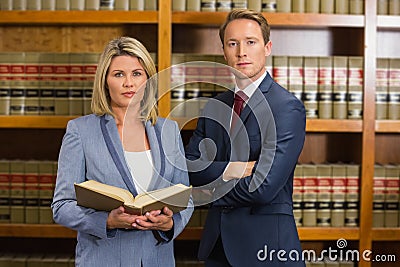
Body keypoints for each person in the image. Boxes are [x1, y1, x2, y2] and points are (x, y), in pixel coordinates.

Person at [52, 36, 193, 267]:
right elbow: (62, 206)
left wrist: (170, 224)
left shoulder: (168, 130)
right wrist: (106, 220)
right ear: (105, 81)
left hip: (157, 259)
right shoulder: (80, 131)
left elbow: (185, 199)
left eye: (137, 73)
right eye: (119, 74)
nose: (129, 83)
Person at [185, 9, 306, 266]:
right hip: (217, 249)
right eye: (233, 43)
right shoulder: (215, 107)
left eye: (250, 42)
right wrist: (233, 169)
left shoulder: (285, 108)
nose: (242, 52)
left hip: (266, 251)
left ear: (267, 47)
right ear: (224, 51)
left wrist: (202, 194)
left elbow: (263, 188)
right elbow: (189, 168)